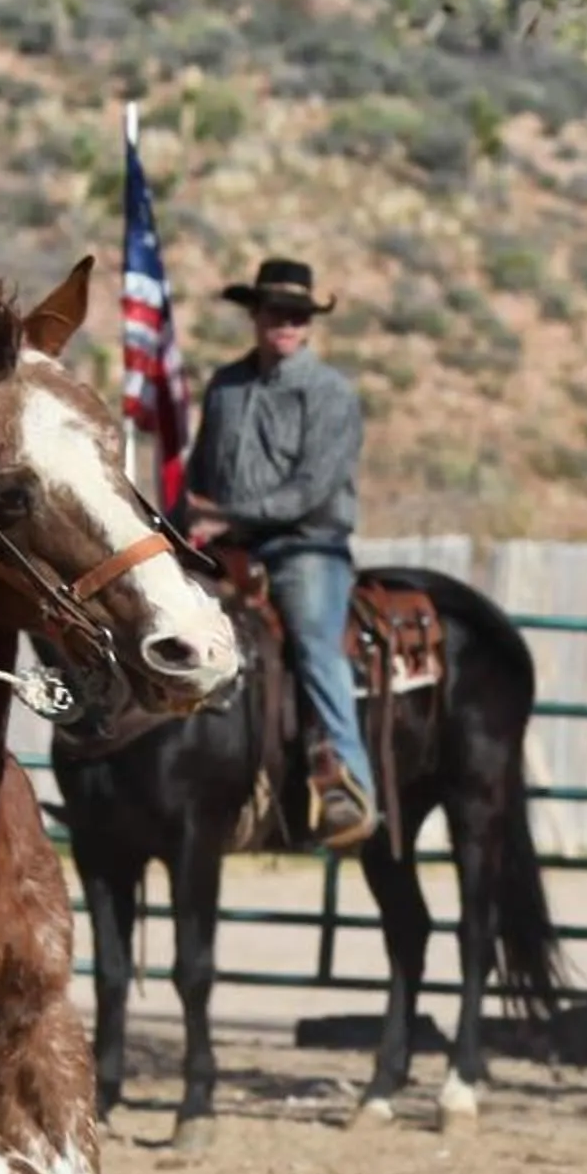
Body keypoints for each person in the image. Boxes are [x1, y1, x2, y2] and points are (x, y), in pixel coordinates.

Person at [181, 256, 376, 851]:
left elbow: (309, 490)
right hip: (226, 544)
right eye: (275, 312)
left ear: (311, 323)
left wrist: (222, 516)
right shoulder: (226, 386)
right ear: (256, 315)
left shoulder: (331, 394)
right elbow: (201, 465)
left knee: (316, 641)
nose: (286, 323)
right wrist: (187, 514)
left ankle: (347, 779)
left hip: (305, 545)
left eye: (297, 314)